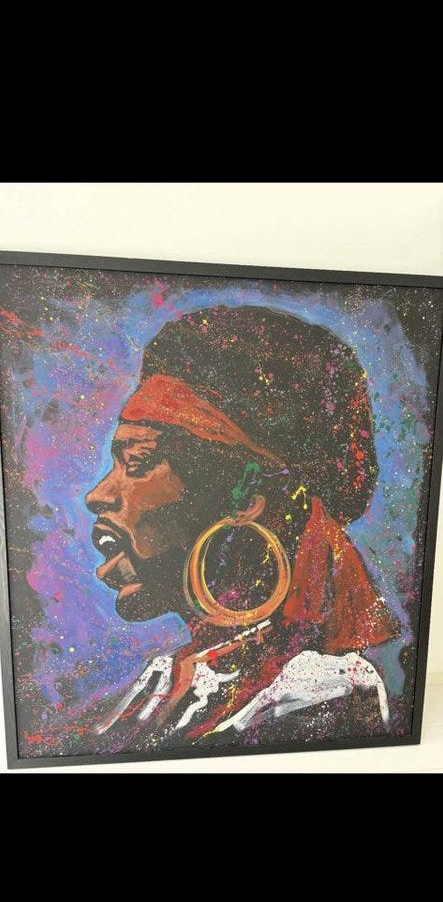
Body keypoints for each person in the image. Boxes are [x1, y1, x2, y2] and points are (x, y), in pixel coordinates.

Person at [85, 305, 399, 748]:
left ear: (247, 501)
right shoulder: (169, 680)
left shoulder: (317, 696)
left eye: (137, 462)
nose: (96, 495)